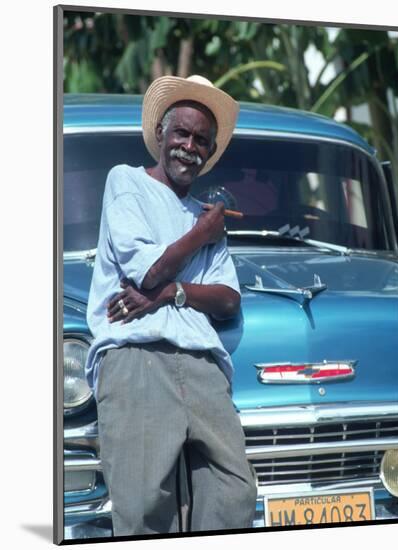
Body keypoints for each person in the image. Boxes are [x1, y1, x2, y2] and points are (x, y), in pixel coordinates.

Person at [85, 75, 257, 537]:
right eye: (181, 133)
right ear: (161, 133)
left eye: (201, 140)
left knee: (234, 493)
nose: (189, 146)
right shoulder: (126, 182)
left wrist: (168, 294)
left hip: (203, 362)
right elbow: (145, 271)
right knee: (144, 507)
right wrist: (200, 237)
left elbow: (227, 299)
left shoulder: (206, 214)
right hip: (137, 354)